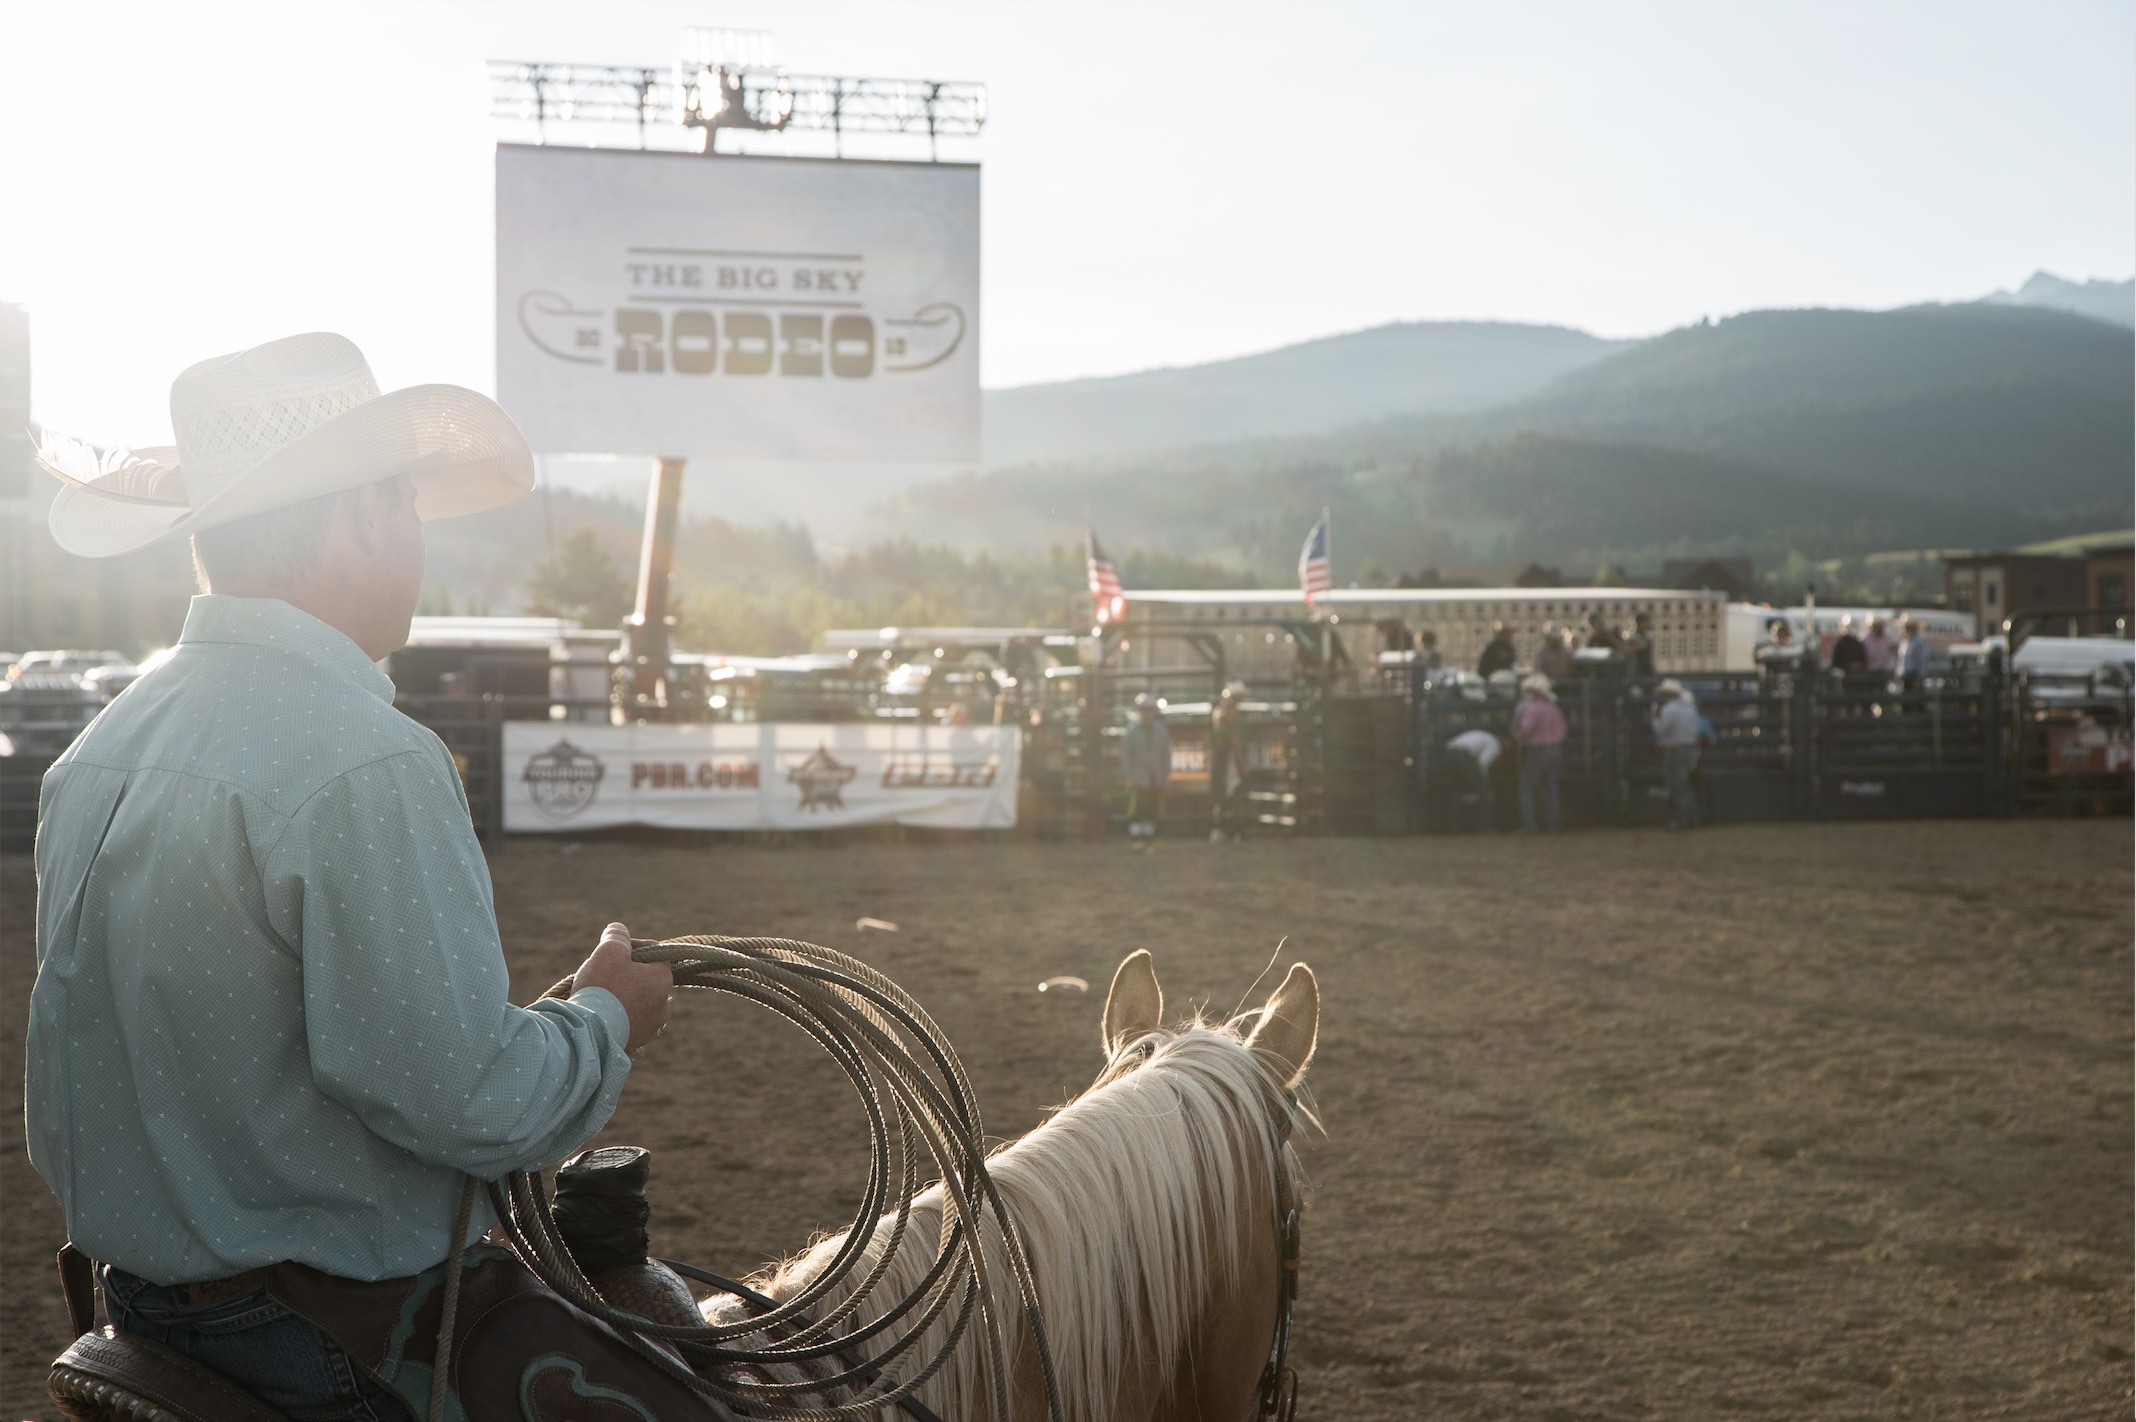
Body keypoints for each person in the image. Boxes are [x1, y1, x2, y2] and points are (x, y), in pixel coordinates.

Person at [26, 334, 678, 1419]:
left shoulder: (103, 747)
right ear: (362, 515)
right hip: (325, 1332)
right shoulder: (363, 758)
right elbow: (468, 1097)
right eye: (407, 507)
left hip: (144, 1308)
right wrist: (606, 1018)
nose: (417, 540)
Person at [1511, 674, 1567, 833]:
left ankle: (1529, 825)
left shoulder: (1533, 710)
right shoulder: (1555, 709)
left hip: (1538, 750)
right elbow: (1563, 731)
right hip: (1555, 749)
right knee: (1552, 788)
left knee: (1526, 787)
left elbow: (1526, 729)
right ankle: (1553, 825)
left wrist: (1517, 736)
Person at [1122, 692, 1172, 847]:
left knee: (1152, 806)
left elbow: (1166, 754)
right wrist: (1128, 776)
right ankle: (1137, 837)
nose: (1147, 713)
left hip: (1155, 775)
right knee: (1137, 806)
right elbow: (1127, 755)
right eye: (1144, 710)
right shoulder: (1132, 732)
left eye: (1149, 710)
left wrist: (1166, 774)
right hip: (1139, 775)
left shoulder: (1161, 731)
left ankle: (1148, 837)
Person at [1653, 678, 1702, 829]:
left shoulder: (1669, 710)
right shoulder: (1689, 709)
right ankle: (1693, 819)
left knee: (1678, 786)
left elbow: (1661, 730)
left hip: (1675, 750)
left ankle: (1683, 821)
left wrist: (1654, 720)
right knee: (1685, 785)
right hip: (1689, 748)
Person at [1208, 681, 1250, 842]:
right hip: (1229, 758)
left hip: (1221, 756)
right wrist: (1242, 763)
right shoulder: (1231, 714)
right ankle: (1234, 829)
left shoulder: (1218, 712)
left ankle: (1219, 829)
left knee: (1221, 792)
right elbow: (1235, 741)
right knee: (1233, 791)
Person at [1443, 727, 1501, 831]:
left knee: (1455, 790)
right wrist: (1483, 780)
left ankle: (1454, 826)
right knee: (1484, 791)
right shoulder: (1495, 744)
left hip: (1449, 752)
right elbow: (1483, 763)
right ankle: (1485, 826)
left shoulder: (1481, 735)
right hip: (1464, 754)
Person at [1898, 617, 1930, 693]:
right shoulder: (1904, 641)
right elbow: (1901, 660)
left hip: (1914, 675)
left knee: (1916, 700)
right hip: (1905, 675)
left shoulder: (1919, 641)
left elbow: (1922, 660)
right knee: (1905, 701)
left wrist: (1919, 678)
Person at [1624, 612, 1657, 678]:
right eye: (1643, 623)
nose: (1645, 626)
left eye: (1646, 623)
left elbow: (1631, 648)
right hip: (1636, 672)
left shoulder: (1647, 637)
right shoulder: (1634, 636)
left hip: (1644, 672)